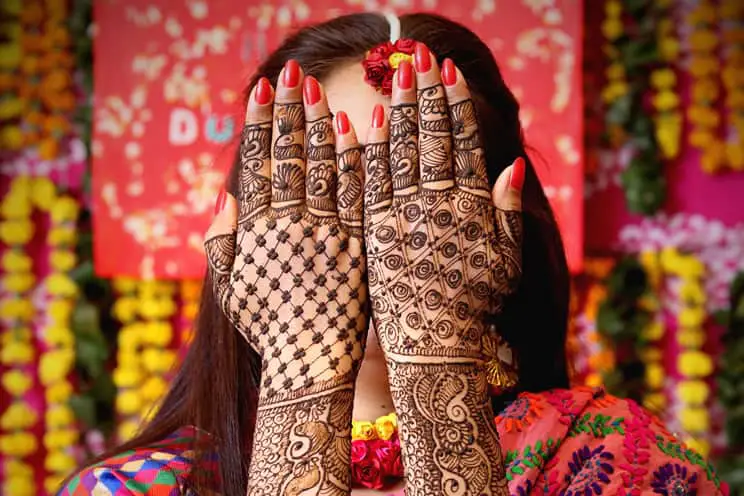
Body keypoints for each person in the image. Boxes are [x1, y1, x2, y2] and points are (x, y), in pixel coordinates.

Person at [59, 12, 727, 496]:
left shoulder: (614, 460)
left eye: (411, 192)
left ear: (503, 223)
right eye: (327, 190)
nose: (379, 240)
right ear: (245, 234)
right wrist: (305, 375)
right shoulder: (137, 489)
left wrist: (434, 351)